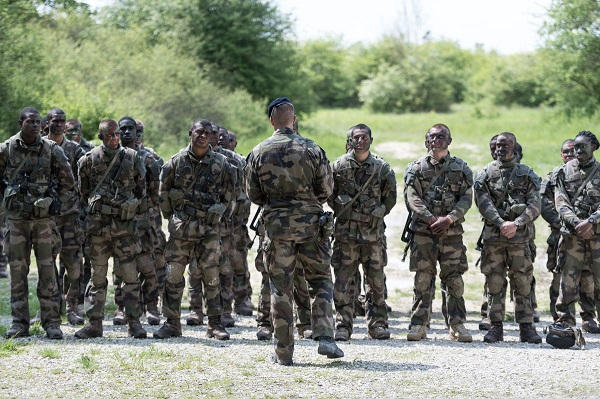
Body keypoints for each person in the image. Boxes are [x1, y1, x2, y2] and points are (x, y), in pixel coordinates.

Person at [246, 97, 343, 365]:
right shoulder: (312, 149)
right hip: (311, 225)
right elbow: (326, 190)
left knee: (280, 287)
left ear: (271, 121)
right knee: (321, 280)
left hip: (277, 227)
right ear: (294, 119)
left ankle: (283, 352)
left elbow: (253, 194)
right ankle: (325, 336)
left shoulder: (258, 151)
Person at [154, 119, 235, 340]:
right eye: (199, 132)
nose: (203, 136)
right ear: (190, 133)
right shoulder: (176, 162)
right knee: (173, 276)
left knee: (211, 276)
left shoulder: (221, 163)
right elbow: (163, 193)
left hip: (209, 229)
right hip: (182, 229)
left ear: (211, 137)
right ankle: (171, 323)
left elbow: (230, 193)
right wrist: (171, 216)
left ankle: (215, 325)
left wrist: (221, 209)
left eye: (207, 133)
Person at [0, 106, 75, 339]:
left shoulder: (51, 149)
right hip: (17, 221)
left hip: (43, 222)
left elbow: (68, 181)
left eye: (37, 122)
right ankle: (19, 323)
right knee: (18, 272)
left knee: (47, 273)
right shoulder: (6, 149)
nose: (34, 126)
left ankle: (52, 322)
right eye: (30, 122)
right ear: (20, 123)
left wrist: (55, 204)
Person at [75, 119, 147, 339]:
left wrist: (132, 205)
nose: (115, 138)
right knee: (97, 278)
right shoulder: (87, 161)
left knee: (130, 277)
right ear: (101, 137)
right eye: (110, 135)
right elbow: (83, 192)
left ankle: (134, 322)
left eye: (117, 134)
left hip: (125, 229)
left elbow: (142, 189)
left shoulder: (132, 158)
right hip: (99, 229)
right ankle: (94, 324)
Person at [403, 124, 473, 342]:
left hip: (451, 234)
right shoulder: (415, 168)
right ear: (426, 141)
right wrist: (431, 219)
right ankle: (418, 324)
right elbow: (411, 196)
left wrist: (449, 218)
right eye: (432, 137)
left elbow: (467, 197)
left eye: (441, 136)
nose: (437, 140)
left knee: (454, 280)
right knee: (423, 278)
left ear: (449, 140)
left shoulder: (461, 168)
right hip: (424, 233)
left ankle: (457, 325)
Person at [329, 123, 396, 341]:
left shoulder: (381, 168)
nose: (360, 141)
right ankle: (343, 324)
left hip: (373, 235)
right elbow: (328, 193)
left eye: (364, 137)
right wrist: (340, 206)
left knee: (375, 282)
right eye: (356, 138)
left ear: (371, 140)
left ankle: (377, 325)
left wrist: (380, 211)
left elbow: (391, 196)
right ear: (349, 141)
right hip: (345, 235)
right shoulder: (337, 167)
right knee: (343, 282)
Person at [475, 132, 542, 344]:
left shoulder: (527, 174)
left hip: (519, 239)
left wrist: (517, 223)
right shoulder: (484, 174)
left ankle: (526, 327)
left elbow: (535, 205)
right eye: (497, 146)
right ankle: (495, 326)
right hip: (494, 238)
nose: (500, 149)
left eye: (505, 145)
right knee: (494, 282)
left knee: (522, 282)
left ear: (514, 146)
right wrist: (501, 222)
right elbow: (483, 203)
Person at [542, 139, 599, 331]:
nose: (578, 150)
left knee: (596, 279)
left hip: (597, 234)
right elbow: (560, 201)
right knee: (568, 279)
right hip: (572, 236)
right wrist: (576, 223)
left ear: (594, 147)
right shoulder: (562, 173)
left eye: (583, 146)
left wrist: (591, 221)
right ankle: (564, 320)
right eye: (576, 147)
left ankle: (590, 317)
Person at [110, 117, 161, 326]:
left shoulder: (148, 158)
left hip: (143, 220)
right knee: (120, 267)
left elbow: (155, 191)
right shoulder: (111, 157)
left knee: (148, 265)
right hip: (119, 221)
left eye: (131, 129)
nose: (127, 133)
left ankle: (151, 307)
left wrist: (149, 216)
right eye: (122, 129)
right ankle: (121, 308)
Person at [45, 108, 86, 326]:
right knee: (47, 264)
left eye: (62, 120)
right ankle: (51, 309)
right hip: (47, 217)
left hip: (70, 215)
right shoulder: (40, 147)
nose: (59, 124)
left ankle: (72, 308)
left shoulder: (74, 149)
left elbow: (85, 179)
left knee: (73, 263)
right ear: (47, 123)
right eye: (55, 120)